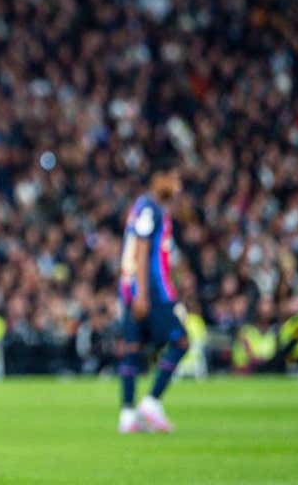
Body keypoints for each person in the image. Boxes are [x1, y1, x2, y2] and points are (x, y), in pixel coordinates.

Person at [117, 158, 188, 434]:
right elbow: (143, 251)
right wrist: (143, 294)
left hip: (130, 288)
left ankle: (127, 414)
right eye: (175, 180)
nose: (179, 187)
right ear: (160, 180)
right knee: (181, 342)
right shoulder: (151, 209)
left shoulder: (142, 207)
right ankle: (151, 401)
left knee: (132, 350)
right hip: (151, 291)